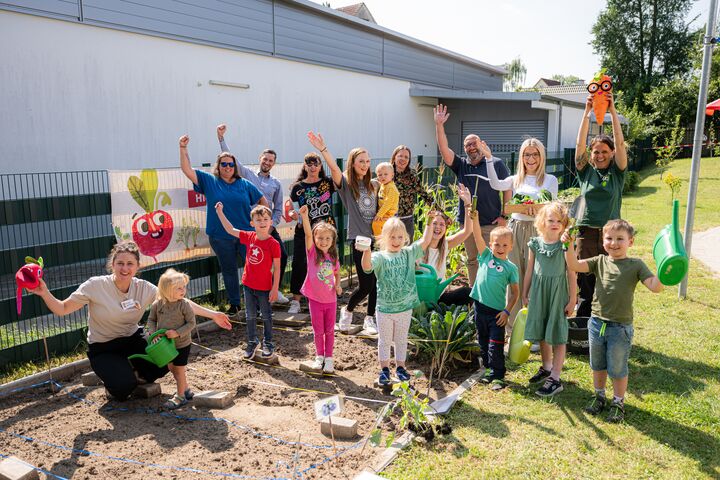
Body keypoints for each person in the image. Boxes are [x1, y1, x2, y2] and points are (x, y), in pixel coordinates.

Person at [27, 242, 230, 401]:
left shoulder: (143, 288)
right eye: (120, 263)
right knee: (123, 390)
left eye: (130, 264)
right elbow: (62, 309)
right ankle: (117, 378)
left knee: (162, 362)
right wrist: (44, 293)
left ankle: (134, 371)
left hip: (133, 338)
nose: (125, 268)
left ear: (137, 266)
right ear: (112, 264)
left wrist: (213, 315)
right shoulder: (95, 286)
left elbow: (178, 300)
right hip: (103, 346)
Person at [563, 219, 662, 422]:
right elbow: (573, 264)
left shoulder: (636, 265)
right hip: (597, 323)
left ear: (630, 242)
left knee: (617, 368)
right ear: (603, 240)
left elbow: (655, 286)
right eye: (609, 238)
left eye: (620, 239)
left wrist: (665, 272)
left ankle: (618, 402)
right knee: (597, 365)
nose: (614, 243)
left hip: (620, 328)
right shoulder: (599, 261)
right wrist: (568, 245)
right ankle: (599, 396)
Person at [179, 135, 268, 317]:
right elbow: (187, 169)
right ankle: (235, 305)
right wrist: (183, 148)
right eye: (224, 164)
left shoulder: (244, 184)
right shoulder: (209, 181)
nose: (227, 167)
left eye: (231, 164)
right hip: (220, 237)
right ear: (218, 166)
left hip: (246, 236)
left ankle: (258, 305)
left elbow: (261, 199)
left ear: (235, 167)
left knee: (255, 268)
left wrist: (263, 222)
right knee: (229, 271)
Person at [307, 131, 379, 334]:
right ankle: (347, 311)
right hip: (360, 240)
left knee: (376, 283)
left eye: (367, 161)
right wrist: (323, 149)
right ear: (353, 164)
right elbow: (334, 169)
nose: (365, 165)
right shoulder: (348, 185)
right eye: (360, 161)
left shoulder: (374, 185)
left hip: (377, 239)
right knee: (365, 284)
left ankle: (370, 318)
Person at [485, 138, 559, 331]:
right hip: (516, 228)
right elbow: (495, 184)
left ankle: (535, 325)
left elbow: (552, 208)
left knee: (536, 276)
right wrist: (488, 158)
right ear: (522, 157)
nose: (531, 158)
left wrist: (540, 212)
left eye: (535, 154)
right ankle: (513, 326)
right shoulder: (515, 179)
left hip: (538, 230)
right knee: (515, 276)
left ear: (541, 156)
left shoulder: (550, 180)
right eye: (527, 154)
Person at [434, 104, 511, 285]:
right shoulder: (461, 165)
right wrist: (439, 125)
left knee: (495, 261)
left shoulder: (496, 164)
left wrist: (504, 216)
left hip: (491, 224)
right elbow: (444, 150)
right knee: (472, 261)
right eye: (467, 145)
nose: (471, 147)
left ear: (481, 144)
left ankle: (494, 295)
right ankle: (475, 298)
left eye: (474, 143)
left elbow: (508, 188)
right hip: (468, 224)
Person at [217, 124, 290, 304]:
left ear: (274, 163)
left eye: (271, 160)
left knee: (283, 255)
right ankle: (253, 296)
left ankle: (275, 290)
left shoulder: (276, 184)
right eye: (265, 159)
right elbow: (231, 159)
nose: (267, 162)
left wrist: (271, 225)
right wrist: (221, 138)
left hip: (268, 226)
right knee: (254, 261)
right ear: (260, 159)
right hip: (250, 226)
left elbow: (278, 208)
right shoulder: (248, 174)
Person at [360, 216, 433, 386]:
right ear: (384, 238)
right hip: (385, 309)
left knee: (401, 340)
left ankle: (401, 368)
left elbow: (426, 240)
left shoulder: (408, 253)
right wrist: (366, 251)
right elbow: (366, 267)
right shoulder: (380, 257)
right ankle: (384, 370)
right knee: (384, 341)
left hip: (405, 308)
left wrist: (429, 222)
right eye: (392, 237)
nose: (396, 240)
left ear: (405, 238)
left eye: (400, 237)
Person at [574, 92, 627, 317]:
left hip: (610, 235)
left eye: (605, 151)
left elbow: (621, 141)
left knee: (607, 281)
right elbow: (579, 144)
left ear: (612, 153)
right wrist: (586, 112)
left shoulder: (617, 172)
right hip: (586, 233)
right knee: (585, 284)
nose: (600, 155)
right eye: (596, 151)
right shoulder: (585, 171)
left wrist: (612, 112)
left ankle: (607, 321)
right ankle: (584, 325)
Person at [522, 202, 577, 397]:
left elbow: (572, 273)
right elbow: (529, 270)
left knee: (557, 333)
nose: (554, 224)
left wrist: (572, 300)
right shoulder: (535, 243)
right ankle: (546, 367)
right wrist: (524, 292)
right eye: (550, 220)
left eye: (559, 221)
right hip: (538, 291)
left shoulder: (567, 244)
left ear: (564, 224)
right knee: (543, 330)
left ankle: (555, 377)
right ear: (542, 222)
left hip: (557, 292)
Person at [216, 203, 281, 359]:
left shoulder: (274, 244)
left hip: (265, 287)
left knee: (266, 316)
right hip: (248, 285)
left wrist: (275, 288)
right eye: (258, 220)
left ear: (271, 222)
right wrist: (220, 212)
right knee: (250, 316)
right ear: (252, 223)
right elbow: (230, 230)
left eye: (266, 219)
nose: (262, 222)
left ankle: (268, 342)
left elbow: (277, 268)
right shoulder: (249, 236)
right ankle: (252, 341)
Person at [469, 214, 519, 390]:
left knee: (495, 344)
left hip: (497, 313)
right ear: (490, 245)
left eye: (505, 245)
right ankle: (489, 370)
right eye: (496, 244)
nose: (500, 248)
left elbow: (515, 293)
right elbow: (476, 235)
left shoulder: (511, 268)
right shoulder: (486, 257)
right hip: (479, 308)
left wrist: (506, 311)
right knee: (482, 341)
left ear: (511, 247)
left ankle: (498, 375)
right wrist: (475, 219)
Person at [286, 153, 336, 314]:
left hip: (326, 233)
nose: (313, 167)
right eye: (310, 164)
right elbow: (294, 211)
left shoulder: (328, 183)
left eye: (316, 164)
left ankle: (321, 297)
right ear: (305, 166)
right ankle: (296, 300)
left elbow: (338, 175)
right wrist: (295, 215)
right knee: (299, 263)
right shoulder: (297, 188)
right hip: (304, 231)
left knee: (326, 264)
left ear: (321, 166)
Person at [299, 205, 341, 374]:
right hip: (315, 300)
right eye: (320, 238)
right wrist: (305, 217)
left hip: (331, 300)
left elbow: (337, 273)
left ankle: (329, 358)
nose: (323, 241)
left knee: (330, 330)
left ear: (332, 241)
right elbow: (308, 234)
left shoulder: (333, 257)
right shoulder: (312, 254)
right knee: (318, 331)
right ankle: (319, 357)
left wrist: (338, 285)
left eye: (327, 239)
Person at [147, 268, 196, 410]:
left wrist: (177, 333)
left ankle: (180, 397)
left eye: (184, 287)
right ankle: (185, 390)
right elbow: (151, 320)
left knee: (179, 370)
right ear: (167, 290)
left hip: (181, 343)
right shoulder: (158, 304)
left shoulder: (184, 304)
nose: (183, 290)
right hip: (165, 345)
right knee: (172, 368)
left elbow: (191, 323)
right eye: (179, 288)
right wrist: (153, 333)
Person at [421, 183, 474, 306]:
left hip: (439, 296)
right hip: (421, 298)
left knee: (468, 293)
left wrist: (467, 203)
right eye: (434, 223)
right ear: (429, 224)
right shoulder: (420, 246)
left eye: (441, 225)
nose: (438, 227)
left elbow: (467, 230)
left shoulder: (445, 245)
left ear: (445, 229)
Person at [391, 145, 438, 240]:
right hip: (389, 220)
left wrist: (442, 213)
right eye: (400, 156)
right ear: (394, 157)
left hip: (407, 220)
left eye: (406, 157)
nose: (403, 159)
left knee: (407, 250)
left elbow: (424, 195)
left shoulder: (412, 176)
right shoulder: (387, 172)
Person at [372, 162, 399, 237]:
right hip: (385, 212)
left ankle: (379, 241)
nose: (383, 177)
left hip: (390, 213)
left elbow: (388, 203)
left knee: (376, 223)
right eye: (380, 175)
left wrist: (379, 214)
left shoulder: (391, 188)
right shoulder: (384, 185)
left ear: (392, 175)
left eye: (386, 174)